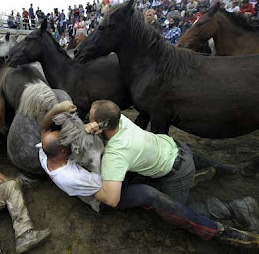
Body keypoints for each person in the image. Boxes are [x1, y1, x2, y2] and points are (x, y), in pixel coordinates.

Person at [37, 100, 259, 248]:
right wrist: (58, 111)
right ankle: (198, 176)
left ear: (100, 126)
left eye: (91, 119)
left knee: (176, 213)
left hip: (176, 169)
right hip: (174, 146)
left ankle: (233, 212)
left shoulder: (113, 156)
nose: (87, 121)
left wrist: (102, 186)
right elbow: (46, 128)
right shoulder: (119, 119)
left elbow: (111, 198)